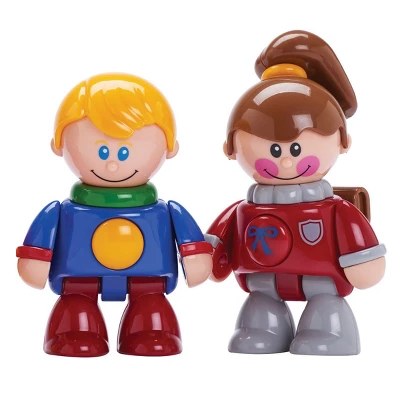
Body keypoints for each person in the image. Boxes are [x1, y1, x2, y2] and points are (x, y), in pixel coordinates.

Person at [206, 31, 386, 356]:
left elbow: (357, 239)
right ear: (231, 149)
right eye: (273, 149)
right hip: (263, 284)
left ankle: (329, 332)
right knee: (260, 307)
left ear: (343, 142)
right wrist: (207, 255)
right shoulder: (243, 210)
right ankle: (262, 328)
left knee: (325, 304)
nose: (286, 161)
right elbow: (217, 241)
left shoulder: (335, 210)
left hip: (322, 286)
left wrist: (364, 261)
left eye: (297, 148)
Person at [16, 73, 213, 357]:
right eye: (102, 151)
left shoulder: (164, 211)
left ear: (170, 148)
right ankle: (75, 331)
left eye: (123, 153)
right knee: (76, 302)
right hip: (77, 284)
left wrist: (195, 257)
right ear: (59, 145)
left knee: (150, 302)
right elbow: (39, 242)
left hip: (149, 283)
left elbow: (189, 240)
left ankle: (150, 330)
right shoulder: (62, 211)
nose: (111, 165)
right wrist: (35, 260)